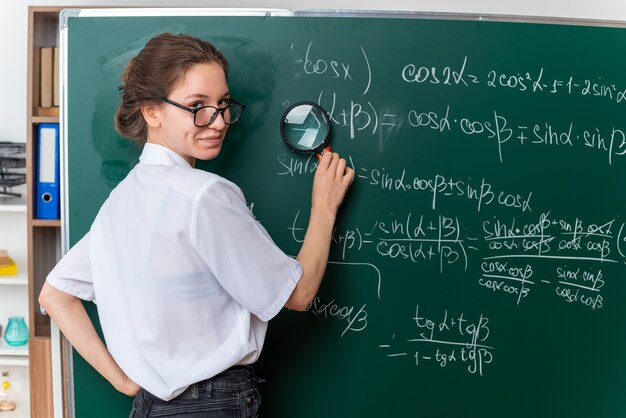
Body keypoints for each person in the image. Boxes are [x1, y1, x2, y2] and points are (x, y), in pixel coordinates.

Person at [38, 32, 354, 418]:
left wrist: (125, 382)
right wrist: (323, 208)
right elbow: (300, 294)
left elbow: (54, 295)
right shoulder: (204, 195)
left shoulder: (120, 201)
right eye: (197, 106)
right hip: (212, 405)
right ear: (151, 112)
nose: (218, 122)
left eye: (223, 104)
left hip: (152, 408)